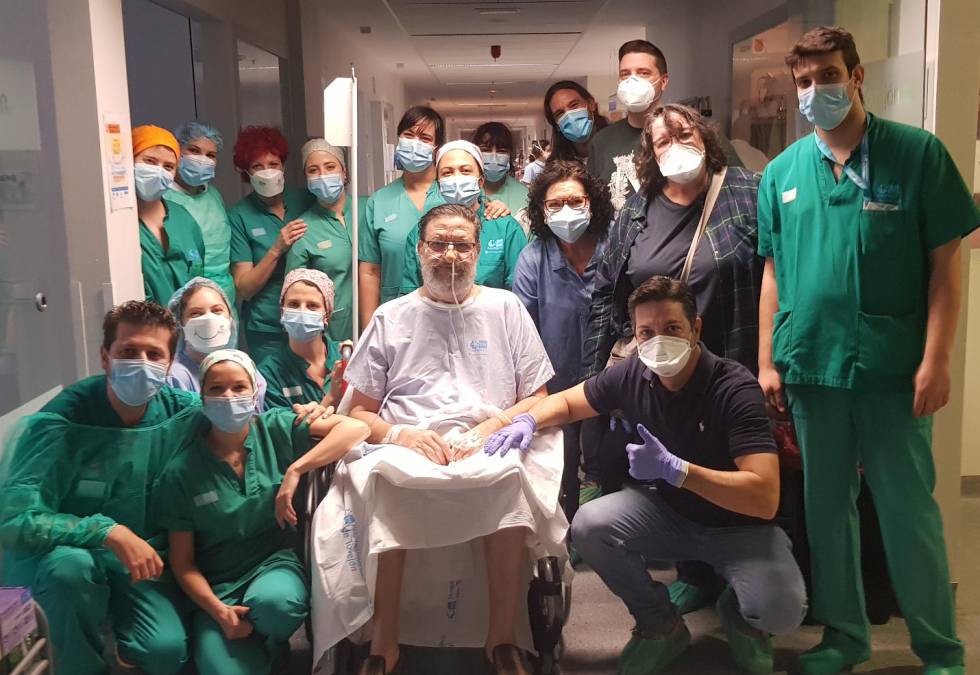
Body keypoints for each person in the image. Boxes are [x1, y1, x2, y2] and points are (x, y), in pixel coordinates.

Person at [757, 27, 978, 674]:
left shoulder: (917, 154)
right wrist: (767, 359)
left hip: (893, 369)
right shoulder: (782, 173)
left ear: (856, 76)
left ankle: (940, 647)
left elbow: (946, 267)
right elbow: (772, 270)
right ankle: (845, 638)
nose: (816, 90)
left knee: (909, 511)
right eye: (804, 81)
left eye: (828, 75)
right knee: (827, 513)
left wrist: (937, 358)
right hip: (810, 366)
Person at [486, 277, 806, 674]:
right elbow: (569, 402)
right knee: (589, 525)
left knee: (781, 611)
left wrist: (679, 471)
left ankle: (742, 616)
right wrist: (530, 419)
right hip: (672, 514)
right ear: (635, 336)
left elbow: (764, 497)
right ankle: (659, 624)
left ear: (696, 328)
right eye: (646, 333)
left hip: (739, 527)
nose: (659, 341)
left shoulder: (734, 389)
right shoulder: (633, 374)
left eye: (672, 328)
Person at [340, 204, 558, 675]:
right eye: (438, 244)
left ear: (478, 251)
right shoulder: (391, 316)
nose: (450, 255)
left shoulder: (505, 308)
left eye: (462, 244)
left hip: (489, 437)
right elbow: (358, 412)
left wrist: (489, 429)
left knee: (506, 476)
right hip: (408, 441)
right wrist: (400, 435)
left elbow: (538, 397)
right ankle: (383, 643)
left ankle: (502, 640)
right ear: (419, 251)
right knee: (389, 479)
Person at [583, 103, 764, 614]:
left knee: (730, 466)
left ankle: (740, 577)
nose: (675, 146)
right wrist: (600, 369)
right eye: (662, 141)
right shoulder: (636, 211)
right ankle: (692, 573)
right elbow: (606, 291)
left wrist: (772, 363)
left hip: (729, 358)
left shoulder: (746, 194)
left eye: (683, 134)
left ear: (704, 137)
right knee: (671, 466)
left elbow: (777, 272)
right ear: (650, 154)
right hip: (660, 370)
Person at [0, 301, 205, 675]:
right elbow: (15, 521)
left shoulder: (180, 412)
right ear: (105, 358)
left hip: (141, 559)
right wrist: (106, 531)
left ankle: (113, 637)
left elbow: (251, 425)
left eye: (153, 354)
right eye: (128, 351)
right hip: (73, 557)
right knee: (69, 571)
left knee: (165, 652)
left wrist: (308, 417)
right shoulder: (63, 420)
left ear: (170, 364)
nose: (141, 363)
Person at [156, 349, 369, 675]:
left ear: (255, 390)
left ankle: (271, 642)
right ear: (202, 396)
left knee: (278, 605)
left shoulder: (275, 428)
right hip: (216, 587)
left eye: (239, 387)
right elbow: (183, 563)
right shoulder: (182, 472)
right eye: (216, 389)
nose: (229, 397)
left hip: (271, 565)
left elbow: (355, 429)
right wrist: (218, 611)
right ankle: (253, 647)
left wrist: (296, 469)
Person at [513, 159, 612, 523]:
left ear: (592, 203)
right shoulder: (533, 259)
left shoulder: (615, 246)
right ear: (541, 210)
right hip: (556, 384)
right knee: (562, 468)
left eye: (575, 201)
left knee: (608, 464)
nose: (566, 211)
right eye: (555, 204)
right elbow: (523, 334)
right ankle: (568, 531)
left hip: (612, 379)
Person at [588, 40, 743, 211]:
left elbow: (739, 188)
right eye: (625, 74)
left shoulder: (696, 132)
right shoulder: (602, 142)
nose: (632, 80)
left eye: (643, 73)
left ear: (663, 81)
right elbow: (594, 206)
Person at [228, 126, 315, 362]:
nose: (267, 172)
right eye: (258, 166)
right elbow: (244, 288)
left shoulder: (305, 200)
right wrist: (277, 249)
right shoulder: (239, 216)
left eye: (273, 164)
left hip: (310, 316)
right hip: (267, 325)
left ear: (283, 166)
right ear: (246, 172)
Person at [399, 140, 527, 295]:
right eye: (447, 173)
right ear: (439, 185)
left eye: (465, 171)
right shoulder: (422, 232)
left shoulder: (506, 229)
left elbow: (519, 293)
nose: (456, 179)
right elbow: (410, 294)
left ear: (481, 181)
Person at [358, 106, 446, 325]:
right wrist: (369, 328)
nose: (415, 143)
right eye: (409, 135)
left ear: (436, 148)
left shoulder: (451, 195)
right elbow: (370, 271)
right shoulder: (379, 202)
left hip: (448, 312)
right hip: (394, 316)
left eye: (425, 138)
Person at [286, 138, 365, 343]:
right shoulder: (303, 229)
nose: (323, 175)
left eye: (330, 167)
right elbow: (295, 291)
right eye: (313, 170)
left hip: (378, 316)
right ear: (306, 178)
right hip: (334, 330)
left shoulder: (368, 209)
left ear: (344, 172)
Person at [165, 121, 236, 309]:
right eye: (194, 151)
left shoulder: (213, 195)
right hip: (183, 295)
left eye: (210, 155)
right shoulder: (163, 197)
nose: (202, 159)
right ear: (177, 152)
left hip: (223, 293)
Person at [133, 125, 206, 304]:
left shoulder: (183, 218)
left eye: (168, 166)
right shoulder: (119, 224)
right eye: (150, 161)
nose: (159, 171)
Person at [258, 268, 343, 410]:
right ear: (282, 311)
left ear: (327, 315)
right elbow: (286, 424)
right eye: (294, 304)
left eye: (312, 306)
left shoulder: (346, 357)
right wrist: (331, 398)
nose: (302, 312)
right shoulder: (268, 373)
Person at [472, 121, 531, 231]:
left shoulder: (524, 195)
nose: (494, 158)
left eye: (501, 151)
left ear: (510, 155)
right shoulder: (465, 191)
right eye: (486, 150)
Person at [544, 80, 609, 163]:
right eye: (560, 113)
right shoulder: (556, 166)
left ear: (591, 104)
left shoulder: (619, 145)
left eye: (574, 105)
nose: (569, 116)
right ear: (557, 125)